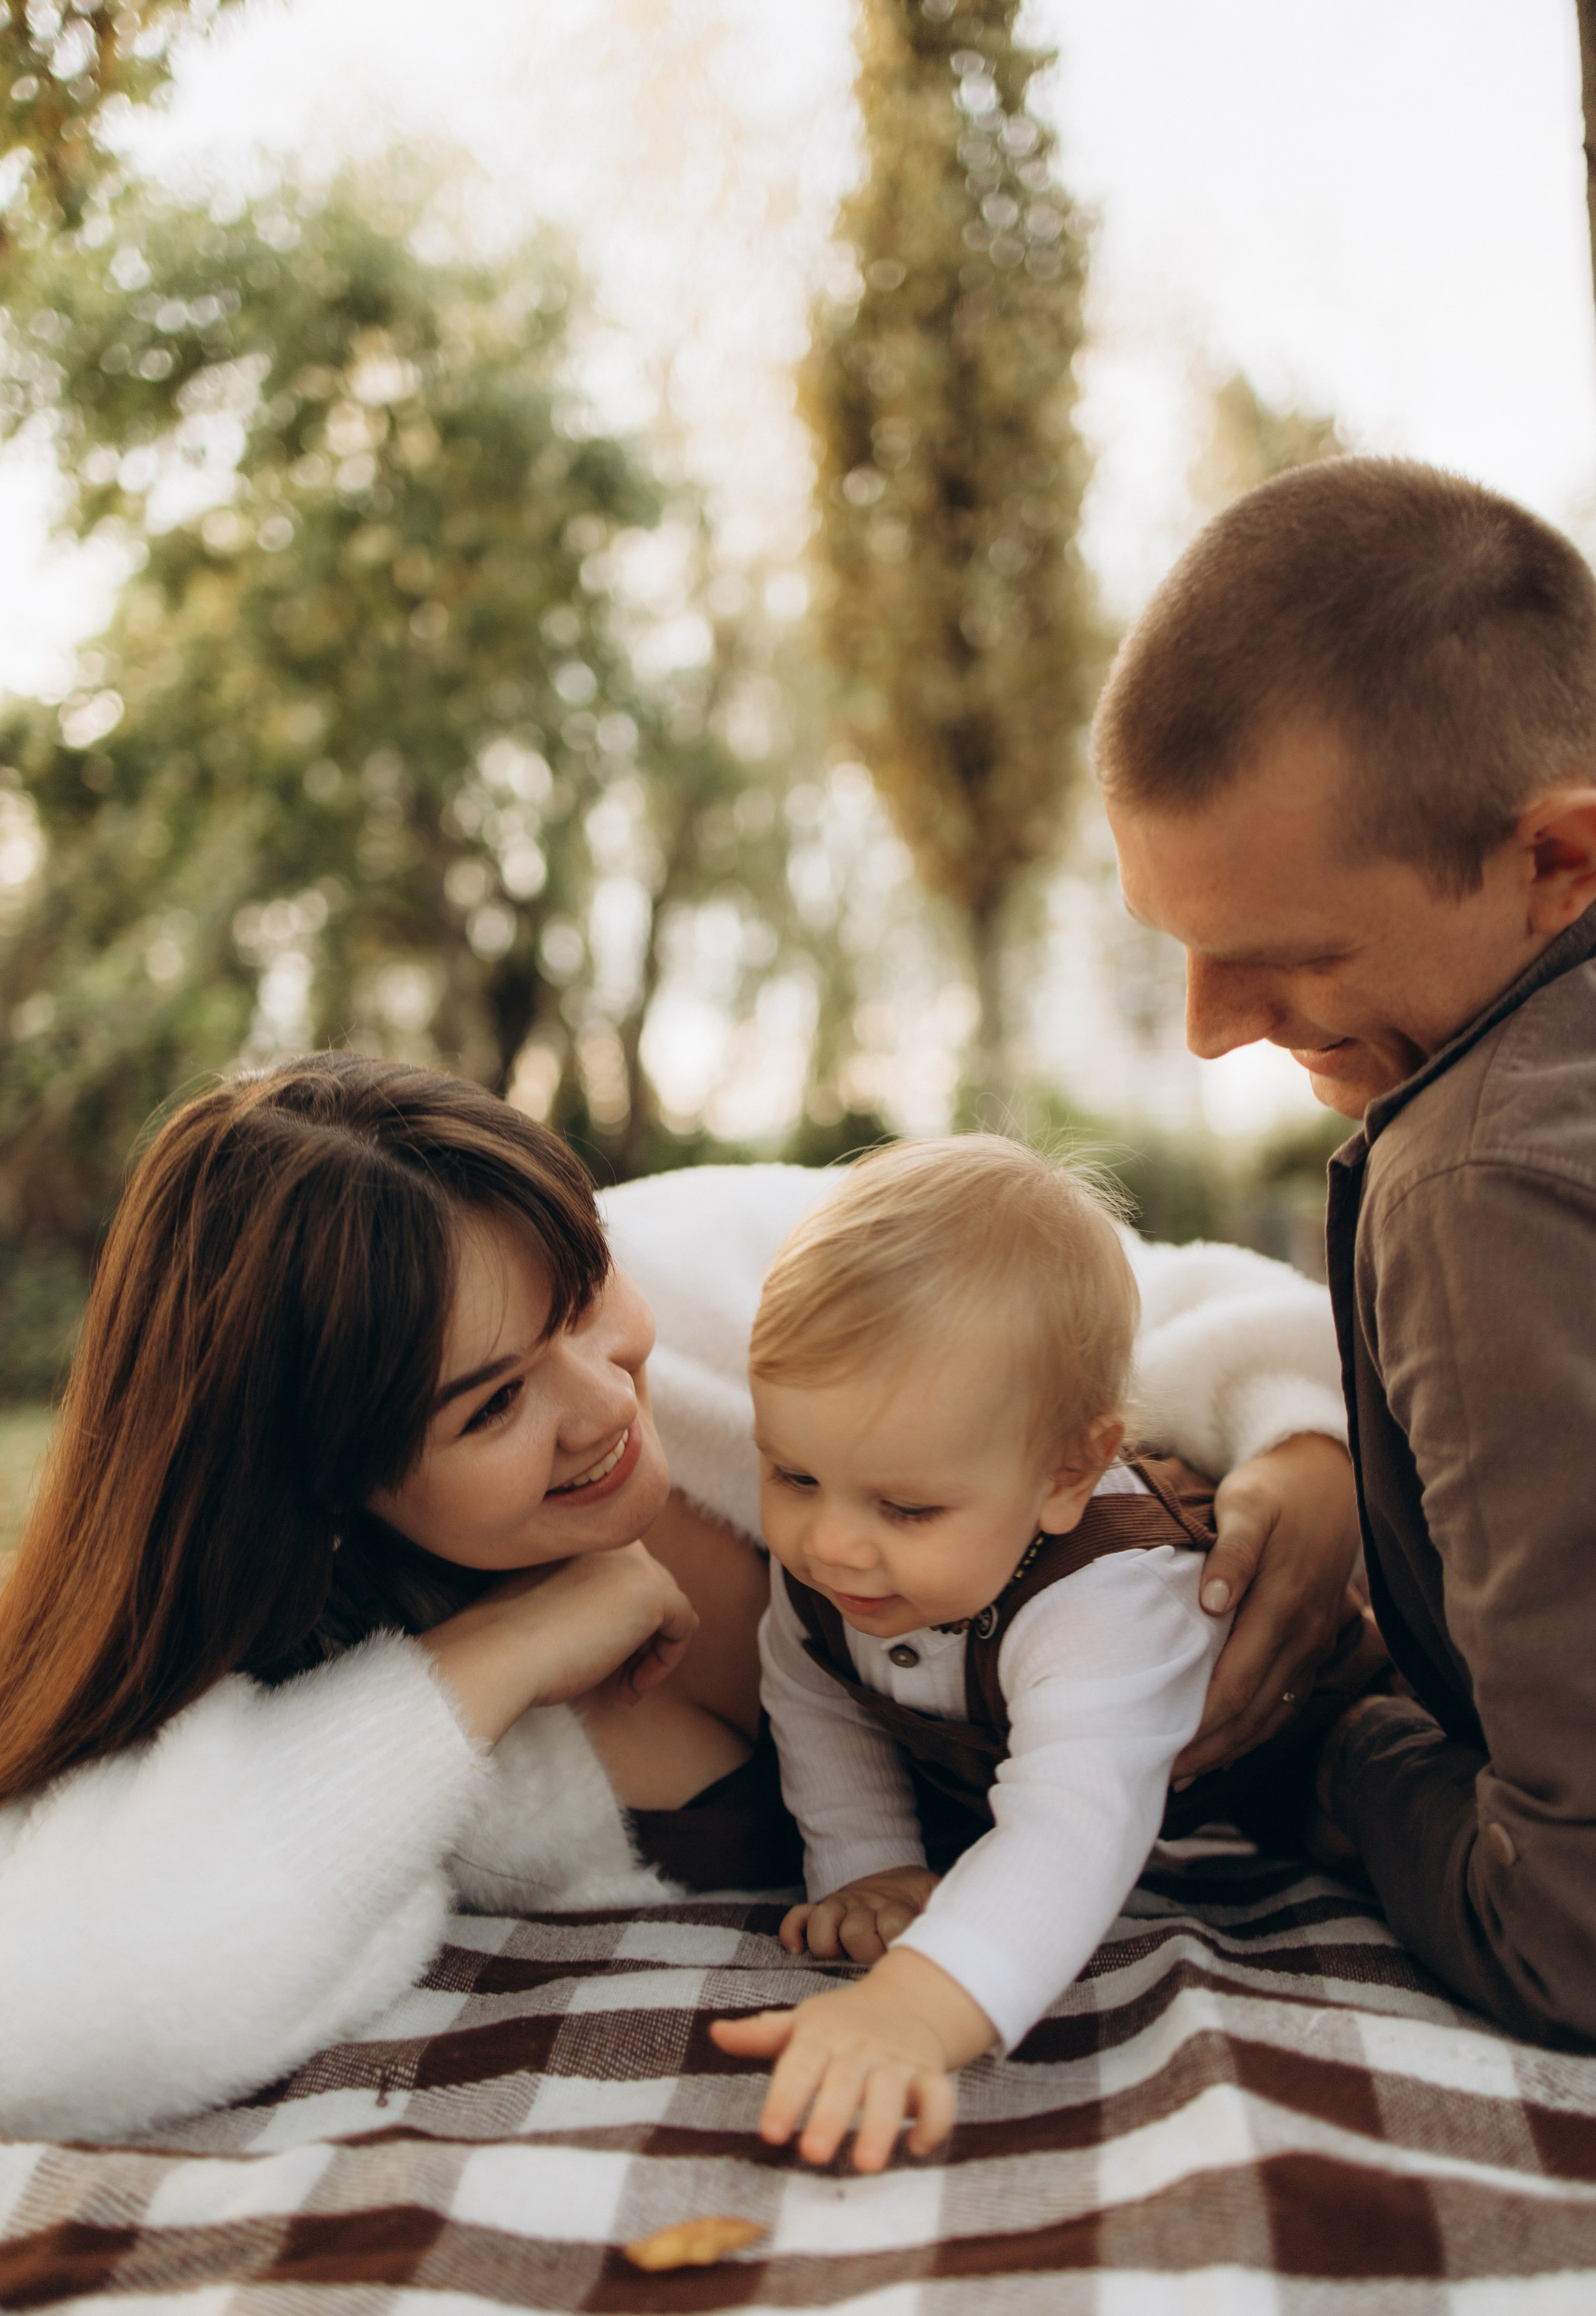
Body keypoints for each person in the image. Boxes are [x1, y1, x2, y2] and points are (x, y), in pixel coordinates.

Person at [0, 1053, 1355, 2140]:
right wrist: (495, 1659)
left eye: (585, 1291)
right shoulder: (343, 1672)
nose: (606, 1403)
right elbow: (47, 2010)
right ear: (333, 1484)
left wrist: (1301, 1440)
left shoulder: (748, 1269)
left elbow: (1154, 1295)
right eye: (491, 1404)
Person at [1093, 454, 1596, 2048]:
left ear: (1555, 861)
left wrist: (1336, 1735)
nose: (1208, 1030)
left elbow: (1574, 1933)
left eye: (1286, 958)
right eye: (1180, 948)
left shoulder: (1478, 1179)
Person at [711, 1135, 1236, 2173]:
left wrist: (920, 2008)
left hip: (1291, 1739)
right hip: (1065, 1764)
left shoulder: (1106, 1597)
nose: (831, 1544)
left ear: (1067, 1471)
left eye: (907, 1507)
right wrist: (868, 1866)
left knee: (1366, 1782)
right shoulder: (829, 1563)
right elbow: (813, 1692)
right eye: (793, 1474)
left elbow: (1074, 1827)